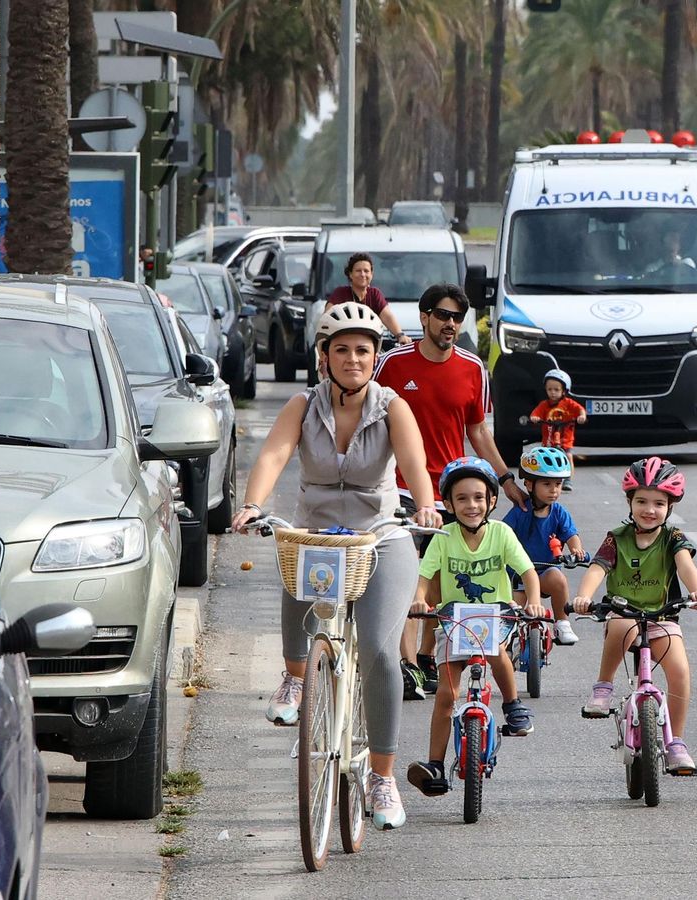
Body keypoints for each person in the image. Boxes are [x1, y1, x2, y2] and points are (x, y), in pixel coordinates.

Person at [231, 301, 442, 831]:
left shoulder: (393, 407)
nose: (353, 358)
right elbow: (274, 456)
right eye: (341, 349)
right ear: (324, 356)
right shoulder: (303, 406)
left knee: (377, 651)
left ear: (375, 358)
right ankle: (295, 677)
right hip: (318, 533)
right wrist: (253, 503)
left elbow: (415, 463)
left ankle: (383, 776)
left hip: (379, 534)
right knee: (294, 549)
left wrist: (424, 503)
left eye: (363, 350)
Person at [375, 284, 527, 699]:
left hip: (453, 492)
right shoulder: (390, 364)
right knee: (408, 579)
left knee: (444, 580)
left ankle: (427, 656)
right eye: (443, 315)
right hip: (401, 488)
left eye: (457, 318)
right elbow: (367, 414)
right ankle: (406, 667)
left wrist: (506, 479)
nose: (450, 324)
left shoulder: (472, 368)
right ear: (423, 317)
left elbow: (477, 430)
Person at [406, 458, 545, 797]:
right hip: (454, 617)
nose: (472, 505)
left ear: (492, 501)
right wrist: (420, 600)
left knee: (496, 651)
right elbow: (424, 577)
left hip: (494, 613)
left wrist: (534, 601)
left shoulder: (501, 533)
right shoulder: (443, 537)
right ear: (449, 504)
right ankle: (435, 764)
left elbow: (527, 572)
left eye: (479, 497)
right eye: (463, 498)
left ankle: (512, 705)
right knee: (446, 694)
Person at [570, 458, 697, 776]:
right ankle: (603, 687)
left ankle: (676, 742)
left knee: (680, 672)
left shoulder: (673, 538)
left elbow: (685, 565)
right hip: (623, 612)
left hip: (662, 617)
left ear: (671, 506)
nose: (650, 509)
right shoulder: (616, 538)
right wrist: (584, 596)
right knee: (621, 625)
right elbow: (598, 568)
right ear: (629, 502)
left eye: (659, 503)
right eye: (642, 501)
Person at [502, 446, 587, 645]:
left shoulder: (559, 512)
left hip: (545, 571)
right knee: (512, 611)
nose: (554, 490)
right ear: (529, 485)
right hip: (518, 576)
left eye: (558, 484)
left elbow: (571, 535)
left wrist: (576, 550)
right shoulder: (519, 512)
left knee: (558, 579)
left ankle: (562, 624)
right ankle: (510, 638)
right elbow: (502, 536)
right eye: (547, 484)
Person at [326, 252, 413, 346]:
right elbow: (327, 317)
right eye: (358, 271)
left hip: (369, 345)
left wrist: (400, 335)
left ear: (371, 274)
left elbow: (387, 316)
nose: (363, 274)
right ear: (350, 274)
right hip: (344, 343)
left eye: (366, 271)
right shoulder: (340, 293)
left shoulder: (374, 294)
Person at [527, 368, 586, 489]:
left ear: (564, 390)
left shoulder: (569, 403)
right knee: (544, 456)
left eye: (556, 389)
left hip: (565, 439)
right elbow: (535, 413)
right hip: (549, 439)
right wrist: (534, 418)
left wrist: (581, 416)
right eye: (549, 389)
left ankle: (568, 479)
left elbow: (580, 409)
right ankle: (543, 477)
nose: (553, 392)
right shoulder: (544, 405)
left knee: (568, 456)